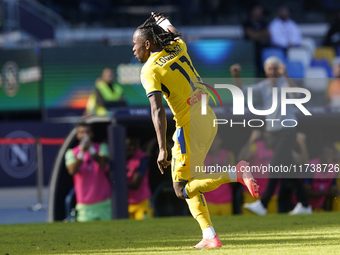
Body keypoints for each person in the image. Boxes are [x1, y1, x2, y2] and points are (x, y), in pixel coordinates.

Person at [132, 12, 259, 248]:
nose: (133, 49)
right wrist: (161, 20)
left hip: (189, 123)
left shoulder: (149, 71)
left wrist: (162, 149)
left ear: (147, 44)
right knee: (192, 181)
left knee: (180, 188)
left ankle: (236, 173)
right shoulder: (178, 47)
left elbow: (157, 111)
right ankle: (209, 235)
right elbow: (171, 29)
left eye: (135, 44)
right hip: (207, 116)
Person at [230, 56, 311, 216]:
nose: (273, 71)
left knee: (275, 166)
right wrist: (236, 76)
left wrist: (286, 75)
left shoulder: (285, 83)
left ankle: (263, 203)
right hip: (273, 133)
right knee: (290, 171)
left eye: (276, 68)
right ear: (266, 71)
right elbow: (242, 92)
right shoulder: (264, 85)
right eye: (270, 69)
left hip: (287, 130)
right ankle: (305, 204)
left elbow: (297, 94)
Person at [65, 122, 111, 222]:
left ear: (92, 134)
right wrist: (82, 152)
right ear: (77, 135)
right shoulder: (71, 152)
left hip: (104, 202)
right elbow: (72, 170)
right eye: (81, 132)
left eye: (87, 132)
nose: (85, 135)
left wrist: (91, 150)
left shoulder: (102, 147)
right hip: (84, 205)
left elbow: (103, 163)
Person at [238, 129, 279, 214]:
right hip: (252, 193)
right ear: (264, 134)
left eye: (272, 134)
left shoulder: (280, 148)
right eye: (268, 134)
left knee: (272, 225)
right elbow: (241, 158)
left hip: (272, 195)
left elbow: (301, 163)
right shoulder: (256, 146)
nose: (269, 137)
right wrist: (251, 139)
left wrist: (302, 145)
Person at [203, 134, 234, 216]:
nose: (213, 143)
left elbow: (234, 178)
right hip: (208, 199)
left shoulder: (228, 155)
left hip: (225, 198)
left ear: (220, 141)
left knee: (228, 225)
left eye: (215, 140)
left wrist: (227, 167)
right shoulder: (202, 157)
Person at [304, 143, 340, 211]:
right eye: (326, 154)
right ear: (320, 155)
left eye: (331, 154)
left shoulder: (334, 167)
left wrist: (334, 191)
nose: (329, 156)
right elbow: (306, 190)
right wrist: (327, 193)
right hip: (304, 204)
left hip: (320, 204)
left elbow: (333, 187)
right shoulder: (311, 166)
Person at [126, 137, 153, 219]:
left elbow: (136, 184)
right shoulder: (118, 157)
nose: (130, 148)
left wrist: (118, 185)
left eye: (133, 145)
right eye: (127, 145)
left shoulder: (141, 158)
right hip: (126, 203)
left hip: (142, 201)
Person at [243, 4, 270, 76]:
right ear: (252, 11)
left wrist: (256, 34)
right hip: (249, 51)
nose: (259, 12)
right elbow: (251, 35)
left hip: (262, 50)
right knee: (253, 70)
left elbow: (268, 34)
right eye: (257, 10)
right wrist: (261, 34)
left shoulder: (264, 22)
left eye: (260, 11)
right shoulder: (247, 22)